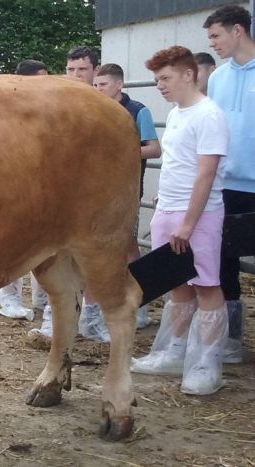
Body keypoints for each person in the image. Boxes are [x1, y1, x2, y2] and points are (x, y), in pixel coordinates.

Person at [131, 46, 229, 395]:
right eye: (157, 79)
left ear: (189, 74)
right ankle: (173, 351)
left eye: (165, 78)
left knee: (206, 284)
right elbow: (177, 163)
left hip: (198, 215)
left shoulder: (208, 115)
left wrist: (188, 222)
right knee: (177, 281)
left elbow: (206, 173)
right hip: (168, 209)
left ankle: (207, 364)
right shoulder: (176, 113)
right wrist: (164, 202)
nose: (160, 85)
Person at [29, 45, 111, 343]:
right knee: (54, 260)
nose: (76, 75)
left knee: (94, 257)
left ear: (95, 71)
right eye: (71, 69)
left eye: (82, 69)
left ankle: (92, 317)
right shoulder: (54, 107)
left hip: (93, 194)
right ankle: (54, 321)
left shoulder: (108, 111)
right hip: (57, 195)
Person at [203, 4, 255, 364]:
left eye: (216, 35)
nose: (212, 43)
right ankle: (231, 339)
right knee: (223, 261)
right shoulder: (218, 78)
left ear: (238, 30)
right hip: (226, 184)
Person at [93, 63, 162, 328]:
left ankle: (139, 305)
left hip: (125, 193)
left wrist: (120, 150)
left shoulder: (137, 111)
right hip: (96, 193)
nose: (98, 89)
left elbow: (154, 149)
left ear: (119, 85)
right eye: (96, 85)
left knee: (128, 245)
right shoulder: (93, 110)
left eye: (103, 84)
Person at [0, 59, 51, 321]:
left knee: (45, 244)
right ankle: (9, 296)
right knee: (13, 244)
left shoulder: (48, 113)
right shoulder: (5, 111)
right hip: (13, 189)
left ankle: (43, 299)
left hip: (41, 189)